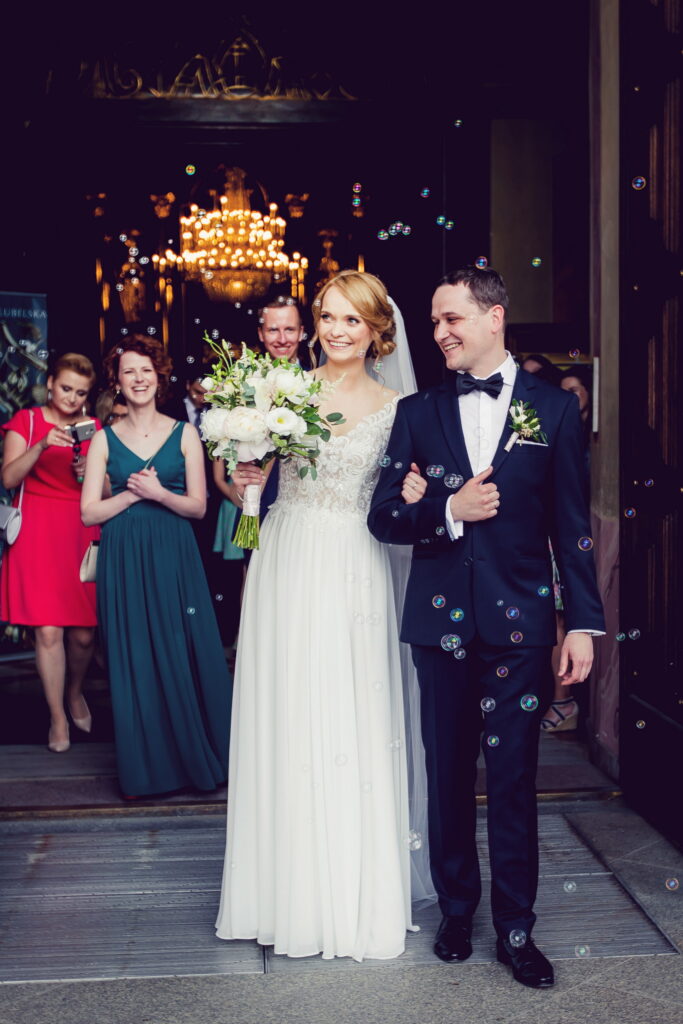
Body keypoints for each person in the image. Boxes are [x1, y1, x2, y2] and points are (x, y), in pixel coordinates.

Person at [368, 266, 605, 988]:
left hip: (521, 625)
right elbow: (383, 516)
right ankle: (455, 911)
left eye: (452, 319)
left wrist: (582, 624)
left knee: (513, 779)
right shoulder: (416, 412)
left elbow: (571, 526)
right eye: (435, 321)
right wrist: (446, 511)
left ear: (494, 317)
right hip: (437, 625)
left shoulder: (552, 411)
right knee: (446, 775)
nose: (439, 332)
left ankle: (516, 928)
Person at [215, 270, 428, 961]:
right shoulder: (283, 390)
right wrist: (243, 478)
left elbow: (405, 499)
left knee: (348, 705)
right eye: (329, 317)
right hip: (284, 554)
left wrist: (417, 493)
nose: (337, 330)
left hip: (354, 562)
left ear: (377, 331)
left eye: (352, 320)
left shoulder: (401, 409)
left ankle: (353, 896)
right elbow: (246, 476)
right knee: (286, 707)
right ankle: (281, 894)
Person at [81, 336, 232, 798]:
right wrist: (132, 495)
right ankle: (148, 771)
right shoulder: (102, 439)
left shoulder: (185, 433)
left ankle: (199, 758)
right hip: (124, 557)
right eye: (129, 371)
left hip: (173, 554)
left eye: (146, 370)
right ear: (117, 381)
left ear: (159, 376)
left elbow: (198, 507)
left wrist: (160, 494)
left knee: (179, 648)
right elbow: (88, 513)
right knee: (134, 656)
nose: (139, 378)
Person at [1, 353, 100, 752]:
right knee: (47, 630)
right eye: (66, 388)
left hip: (80, 529)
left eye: (81, 392)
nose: (72, 398)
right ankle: (57, 716)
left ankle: (74, 692)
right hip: (37, 532)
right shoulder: (26, 421)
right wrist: (42, 444)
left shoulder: (95, 429)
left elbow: (109, 490)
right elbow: (9, 478)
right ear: (50, 384)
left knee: (84, 634)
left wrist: (90, 473)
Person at [541, 363, 595, 732]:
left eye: (575, 390)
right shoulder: (557, 429)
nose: (569, 398)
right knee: (552, 620)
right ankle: (560, 698)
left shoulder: (593, 441)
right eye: (563, 391)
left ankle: (564, 701)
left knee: (563, 621)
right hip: (551, 538)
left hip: (574, 542)